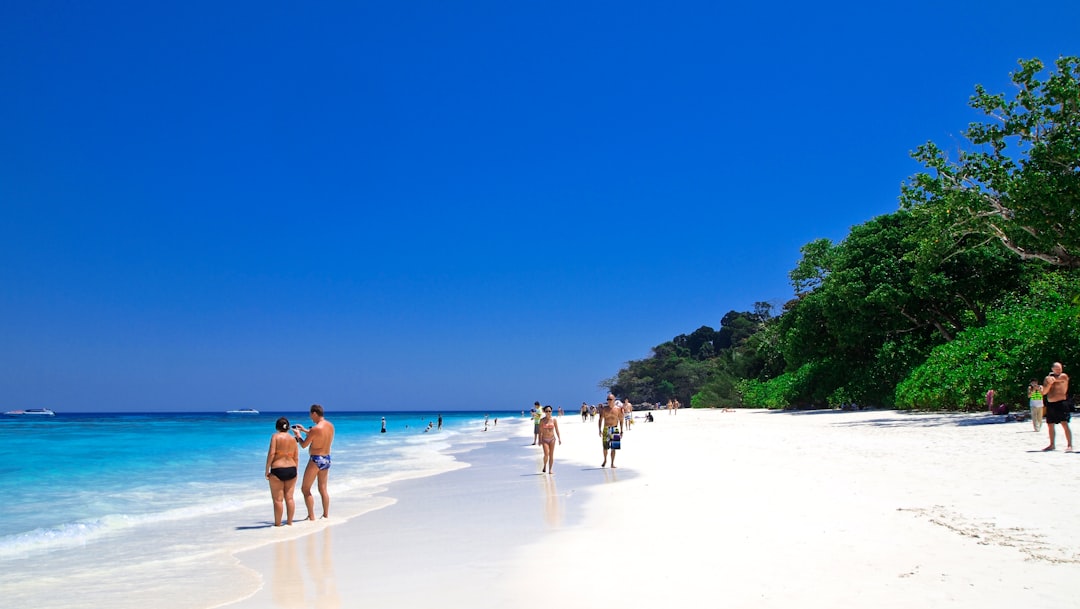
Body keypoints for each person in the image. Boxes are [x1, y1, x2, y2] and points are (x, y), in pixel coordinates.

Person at [295, 404, 336, 520]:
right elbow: (319, 435)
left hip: (316, 460)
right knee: (323, 489)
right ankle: (325, 515)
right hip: (327, 459)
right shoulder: (330, 426)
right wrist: (304, 430)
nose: (311, 418)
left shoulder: (315, 429)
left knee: (305, 489)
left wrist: (298, 435)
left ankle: (311, 516)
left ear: (314, 413)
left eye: (311, 415)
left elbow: (303, 445)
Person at [265, 417, 299, 526]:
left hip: (277, 469)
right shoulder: (293, 439)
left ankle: (278, 524)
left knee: (278, 500)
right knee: (289, 498)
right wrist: (295, 471)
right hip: (292, 469)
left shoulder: (275, 437)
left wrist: (267, 470)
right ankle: (289, 523)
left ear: (277, 427)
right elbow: (296, 457)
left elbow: (271, 454)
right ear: (288, 427)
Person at [1042, 362, 1073, 451]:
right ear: (1052, 369)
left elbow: (1058, 379)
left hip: (1061, 403)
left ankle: (1069, 445)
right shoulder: (1047, 379)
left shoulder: (1063, 376)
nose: (1059, 370)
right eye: (1057, 369)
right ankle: (1052, 444)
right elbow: (1044, 392)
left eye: (1060, 368)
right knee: (1050, 424)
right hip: (1051, 404)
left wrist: (1051, 379)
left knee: (1064, 423)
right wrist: (1049, 383)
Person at [598, 394, 624, 468]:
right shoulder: (604, 409)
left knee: (614, 447)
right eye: (608, 399)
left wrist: (622, 430)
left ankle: (612, 463)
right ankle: (605, 459)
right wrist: (599, 430)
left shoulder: (618, 409)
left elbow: (621, 420)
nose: (609, 401)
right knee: (605, 447)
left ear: (614, 400)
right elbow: (600, 420)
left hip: (615, 428)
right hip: (606, 428)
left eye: (610, 399)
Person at [538, 405, 562, 474]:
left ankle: (550, 469)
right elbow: (540, 431)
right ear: (544, 412)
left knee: (551, 455)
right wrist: (539, 440)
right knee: (546, 454)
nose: (548, 412)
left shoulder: (554, 420)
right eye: (546, 411)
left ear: (551, 411)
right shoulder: (542, 420)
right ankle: (545, 465)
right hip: (544, 439)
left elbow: (557, 430)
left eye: (549, 411)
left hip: (552, 439)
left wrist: (559, 438)